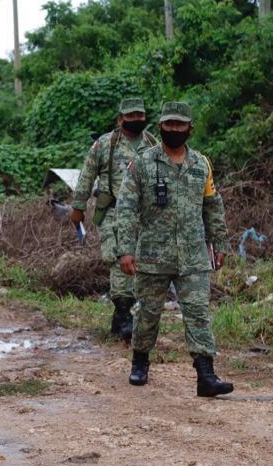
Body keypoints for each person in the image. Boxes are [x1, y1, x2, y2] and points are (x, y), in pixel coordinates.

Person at [115, 101, 234, 397]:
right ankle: (140, 362)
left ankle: (206, 375)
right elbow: (126, 209)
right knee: (148, 314)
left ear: (190, 129)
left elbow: (212, 205)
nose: (174, 130)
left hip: (193, 255)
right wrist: (125, 250)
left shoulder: (200, 164)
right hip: (153, 256)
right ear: (160, 127)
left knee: (198, 313)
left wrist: (220, 242)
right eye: (169, 125)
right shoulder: (142, 164)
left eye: (180, 125)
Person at [70, 98, 157, 342]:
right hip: (112, 212)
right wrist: (78, 207)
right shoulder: (105, 144)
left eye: (141, 115)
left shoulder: (152, 144)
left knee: (140, 263)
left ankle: (122, 318)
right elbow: (87, 175)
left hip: (143, 215)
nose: (137, 119)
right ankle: (124, 314)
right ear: (120, 119)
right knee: (119, 259)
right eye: (131, 116)